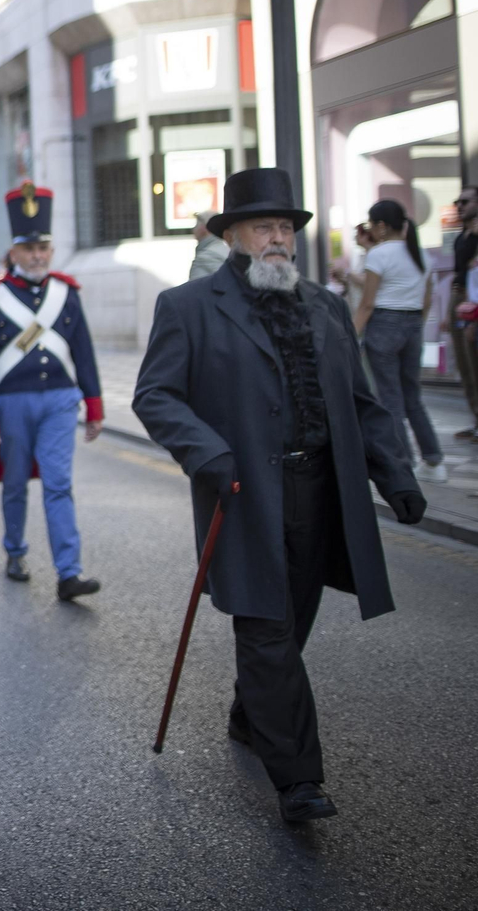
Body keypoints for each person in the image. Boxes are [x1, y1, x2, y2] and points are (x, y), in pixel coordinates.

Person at [133, 167, 425, 824]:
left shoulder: (323, 307)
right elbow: (155, 396)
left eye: (287, 229)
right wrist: (209, 454)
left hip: (320, 493)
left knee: (291, 619)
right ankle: (298, 780)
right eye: (264, 226)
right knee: (266, 627)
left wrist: (397, 478)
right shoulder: (187, 307)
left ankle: (251, 709)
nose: (279, 240)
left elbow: (361, 404)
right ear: (231, 235)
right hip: (244, 491)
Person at [0, 183, 104, 599]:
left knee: (59, 483)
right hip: (11, 403)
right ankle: (15, 550)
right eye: (30, 249)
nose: (39, 255)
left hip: (61, 400)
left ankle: (69, 572)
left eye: (44, 246)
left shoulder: (67, 292)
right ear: (14, 252)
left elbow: (83, 349)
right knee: (14, 483)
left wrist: (94, 405)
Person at [353, 197, 444, 483]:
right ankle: (434, 460)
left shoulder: (378, 255)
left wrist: (350, 335)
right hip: (413, 325)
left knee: (389, 397)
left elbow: (367, 303)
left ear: (381, 226)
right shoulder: (421, 255)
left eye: (372, 224)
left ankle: (404, 462)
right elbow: (427, 299)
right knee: (413, 397)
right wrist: (414, 322)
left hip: (384, 324)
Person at [446, 186, 478, 439]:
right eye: (458, 202)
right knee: (464, 363)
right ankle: (475, 418)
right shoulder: (461, 237)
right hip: (459, 298)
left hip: (473, 300)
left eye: (465, 201)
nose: (460, 206)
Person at [188, 210, 230, 281]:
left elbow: (195, 290)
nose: (193, 229)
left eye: (196, 224)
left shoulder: (206, 257)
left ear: (204, 228)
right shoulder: (225, 249)